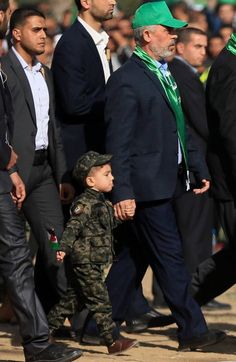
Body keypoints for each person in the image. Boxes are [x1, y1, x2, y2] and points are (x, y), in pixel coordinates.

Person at [105, 1, 225, 351]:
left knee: (133, 256)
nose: (175, 35)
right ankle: (193, 331)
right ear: (146, 35)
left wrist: (197, 167)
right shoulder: (127, 80)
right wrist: (123, 191)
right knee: (170, 256)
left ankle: (92, 322)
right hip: (144, 188)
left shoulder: (162, 72)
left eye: (175, 30)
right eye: (168, 30)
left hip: (166, 181)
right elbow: (119, 144)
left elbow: (179, 128)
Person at [0, 1, 82, 361]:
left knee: (54, 243)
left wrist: (63, 173)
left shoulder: (45, 73)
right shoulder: (3, 70)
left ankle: (52, 319)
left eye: (46, 29)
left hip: (44, 175)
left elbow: (54, 129)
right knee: (14, 254)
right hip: (11, 174)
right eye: (36, 29)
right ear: (16, 33)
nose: (44, 35)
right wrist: (9, 167)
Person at [47, 151, 138, 355]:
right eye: (106, 174)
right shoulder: (83, 204)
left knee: (74, 300)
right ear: (90, 180)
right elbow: (72, 228)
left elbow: (106, 225)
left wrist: (123, 217)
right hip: (85, 260)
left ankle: (44, 331)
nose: (112, 177)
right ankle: (112, 341)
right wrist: (62, 248)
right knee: (101, 301)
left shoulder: (102, 203)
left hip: (94, 260)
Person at [168, 27, 230, 310]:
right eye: (197, 46)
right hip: (207, 170)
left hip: (207, 167)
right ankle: (187, 302)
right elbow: (215, 126)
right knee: (193, 237)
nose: (203, 52)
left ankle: (187, 301)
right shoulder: (188, 74)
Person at [191, 32, 236, 305]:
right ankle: (185, 301)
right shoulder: (229, 67)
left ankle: (186, 302)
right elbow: (231, 133)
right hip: (231, 184)